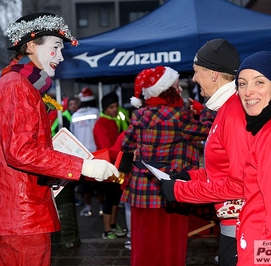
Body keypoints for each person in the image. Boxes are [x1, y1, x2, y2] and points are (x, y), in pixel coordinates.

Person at [0, 12, 118, 266]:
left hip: (21, 211)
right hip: (21, 215)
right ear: (31, 45)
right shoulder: (16, 86)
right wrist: (82, 166)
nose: (61, 56)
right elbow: (21, 151)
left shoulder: (17, 83)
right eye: (55, 47)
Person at [162, 51, 271, 265]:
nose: (248, 92)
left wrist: (181, 190)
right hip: (257, 240)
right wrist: (191, 177)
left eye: (259, 82)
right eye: (242, 83)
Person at [167, 39, 250, 266]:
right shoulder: (227, 109)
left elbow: (241, 183)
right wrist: (190, 176)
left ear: (213, 74)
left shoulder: (233, 113)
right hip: (233, 222)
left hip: (241, 226)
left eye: (196, 72)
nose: (193, 79)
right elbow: (223, 170)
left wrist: (182, 190)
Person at [122, 65, 213, 266]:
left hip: (141, 189)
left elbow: (126, 145)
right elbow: (207, 130)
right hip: (170, 189)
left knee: (144, 241)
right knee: (170, 242)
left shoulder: (139, 115)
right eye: (176, 86)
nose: (180, 89)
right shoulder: (179, 117)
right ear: (167, 90)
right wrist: (203, 110)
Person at [93, 91, 127, 239]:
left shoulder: (114, 121)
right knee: (109, 198)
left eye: (116, 106)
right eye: (111, 107)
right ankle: (107, 231)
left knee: (115, 197)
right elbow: (106, 147)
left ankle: (113, 226)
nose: (115, 109)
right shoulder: (101, 124)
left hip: (116, 165)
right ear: (105, 108)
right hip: (106, 167)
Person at [71, 87, 105, 217]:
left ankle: (88, 207)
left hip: (82, 155)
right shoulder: (98, 113)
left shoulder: (75, 115)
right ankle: (101, 207)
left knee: (85, 184)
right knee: (99, 181)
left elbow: (73, 136)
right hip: (97, 152)